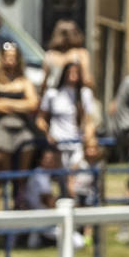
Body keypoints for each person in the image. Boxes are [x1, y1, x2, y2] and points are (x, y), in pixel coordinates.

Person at [38, 59, 99, 201]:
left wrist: (89, 135)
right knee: (61, 180)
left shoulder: (84, 94)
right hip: (58, 144)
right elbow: (41, 119)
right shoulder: (52, 94)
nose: (73, 75)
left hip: (76, 143)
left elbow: (89, 119)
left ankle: (78, 204)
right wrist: (48, 134)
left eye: (76, 72)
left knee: (75, 176)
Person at [0, 42, 40, 199]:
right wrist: (19, 104)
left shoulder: (24, 80)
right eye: (7, 57)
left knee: (28, 145)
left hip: (21, 128)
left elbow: (33, 103)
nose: (10, 60)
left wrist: (5, 102)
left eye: (13, 57)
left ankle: (19, 190)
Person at [44, 19, 94, 90]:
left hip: (54, 96)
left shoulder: (50, 55)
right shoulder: (81, 54)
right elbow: (86, 79)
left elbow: (45, 82)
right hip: (73, 95)